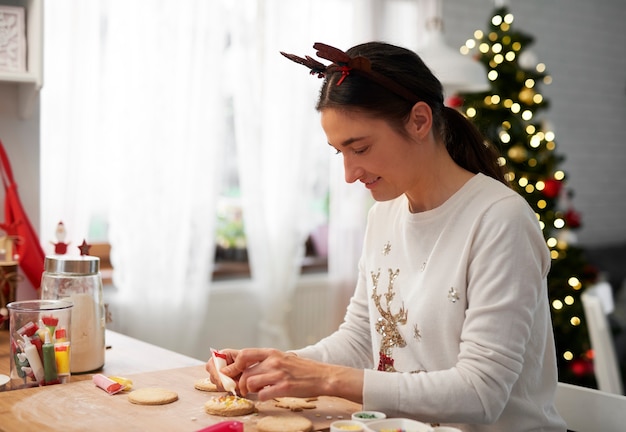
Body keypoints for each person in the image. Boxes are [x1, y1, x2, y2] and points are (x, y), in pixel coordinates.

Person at [206, 42, 567, 432]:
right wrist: (273, 367)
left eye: (359, 148)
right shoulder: (383, 216)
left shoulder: (500, 220)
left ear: (418, 121)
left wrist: (323, 378)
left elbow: (481, 394)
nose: (348, 173)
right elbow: (361, 341)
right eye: (338, 152)